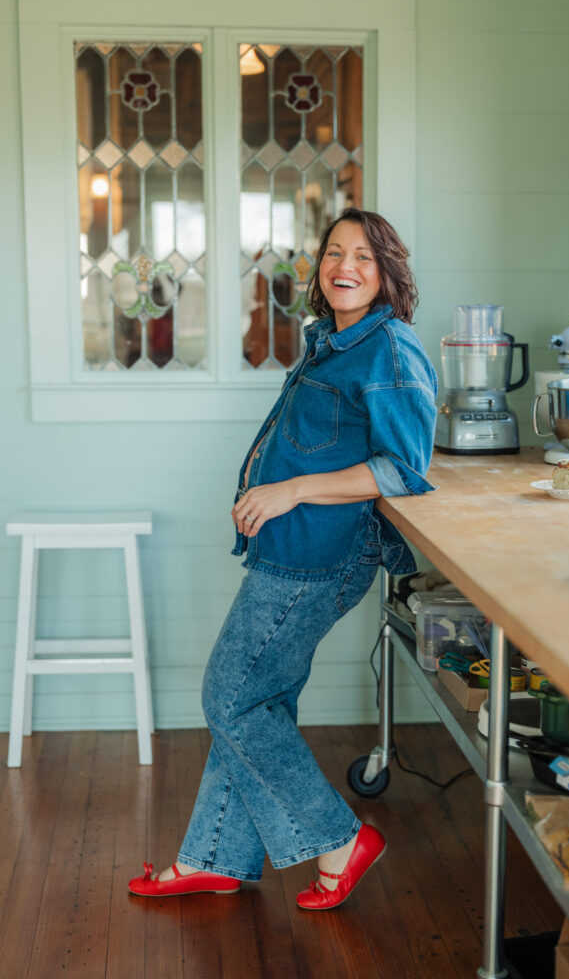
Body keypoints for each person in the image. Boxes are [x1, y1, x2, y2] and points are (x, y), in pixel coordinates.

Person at [129, 207, 438, 910]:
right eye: (334, 252)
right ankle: (214, 858)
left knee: (229, 699)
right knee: (258, 703)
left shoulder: (390, 349)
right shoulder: (332, 340)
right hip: (291, 548)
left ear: (387, 272)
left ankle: (338, 839)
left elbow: (403, 468)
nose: (344, 267)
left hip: (320, 556)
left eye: (363, 255)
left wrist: (291, 488)